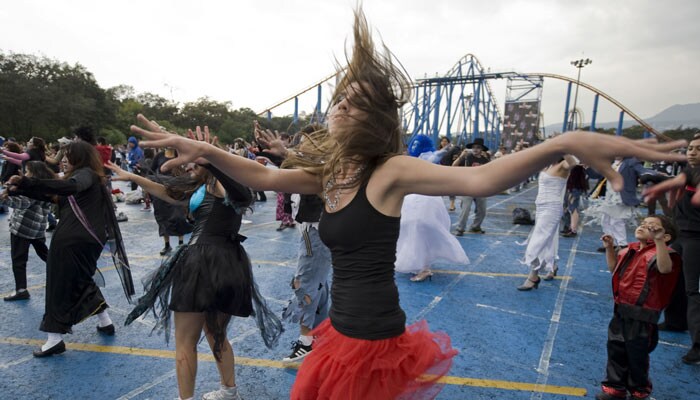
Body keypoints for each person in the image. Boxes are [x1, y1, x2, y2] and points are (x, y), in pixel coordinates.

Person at [128, 10, 686, 399]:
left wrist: (562, 143)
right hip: (337, 336)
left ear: (370, 120)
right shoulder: (332, 174)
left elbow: (482, 181)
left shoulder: (389, 170)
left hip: (372, 344)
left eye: (349, 102)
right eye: (339, 98)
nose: (336, 107)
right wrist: (205, 148)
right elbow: (265, 173)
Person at [109, 129, 282, 400]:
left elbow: (240, 194)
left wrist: (210, 158)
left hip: (202, 260)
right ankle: (229, 391)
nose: (186, 161)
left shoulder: (222, 182)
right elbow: (168, 193)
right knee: (216, 333)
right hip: (227, 260)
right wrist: (133, 177)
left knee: (186, 342)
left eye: (190, 156)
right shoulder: (202, 185)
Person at [6, 141, 133, 357]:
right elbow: (55, 196)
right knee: (81, 279)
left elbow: (69, 188)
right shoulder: (89, 177)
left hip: (72, 240)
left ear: (79, 158)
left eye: (68, 156)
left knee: (58, 284)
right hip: (87, 239)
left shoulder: (84, 175)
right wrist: (22, 188)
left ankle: (54, 338)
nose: (63, 160)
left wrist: (29, 181)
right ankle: (105, 321)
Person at [595, 215, 681, 400]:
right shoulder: (629, 250)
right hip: (621, 309)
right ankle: (615, 387)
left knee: (637, 354)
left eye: (651, 226)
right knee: (616, 348)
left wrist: (658, 240)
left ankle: (639, 390)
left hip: (643, 313)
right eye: (643, 223)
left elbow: (665, 269)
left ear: (665, 236)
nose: (643, 226)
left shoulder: (663, 253)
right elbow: (613, 269)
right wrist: (610, 248)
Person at [645, 134, 700, 364]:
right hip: (680, 234)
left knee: (693, 290)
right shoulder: (688, 170)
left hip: (697, 238)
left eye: (698, 149)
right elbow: (677, 181)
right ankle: (675, 320)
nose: (692, 152)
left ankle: (698, 346)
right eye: (690, 148)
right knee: (669, 277)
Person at [397, 135, 469, 282]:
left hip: (422, 199)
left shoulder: (426, 157)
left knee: (417, 228)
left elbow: (435, 157)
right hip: (417, 199)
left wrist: (447, 149)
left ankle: (424, 267)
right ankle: (420, 264)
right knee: (412, 228)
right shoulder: (413, 159)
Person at [517, 155, 578, 290]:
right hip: (541, 207)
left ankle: (533, 277)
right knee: (548, 241)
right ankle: (552, 266)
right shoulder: (548, 165)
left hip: (552, 208)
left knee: (537, 242)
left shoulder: (563, 165)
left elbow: (573, 163)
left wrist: (564, 145)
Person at [1, 161, 55, 301]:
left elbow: (23, 203)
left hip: (23, 228)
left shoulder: (32, 189)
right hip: (38, 228)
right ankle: (65, 274)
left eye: (27, 172)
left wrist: (5, 198)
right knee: (46, 255)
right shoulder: (44, 186)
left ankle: (21, 290)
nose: (25, 175)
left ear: (34, 173)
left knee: (18, 259)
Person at [149, 147, 192, 255]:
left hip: (177, 190)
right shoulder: (159, 156)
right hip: (162, 190)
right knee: (162, 217)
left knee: (179, 217)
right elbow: (151, 171)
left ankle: (181, 243)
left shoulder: (180, 155)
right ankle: (167, 245)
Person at [452, 137, 490, 236]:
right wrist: (461, 156)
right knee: (466, 208)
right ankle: (460, 228)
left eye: (478, 147)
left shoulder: (485, 160)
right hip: (467, 187)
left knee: (482, 210)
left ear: (482, 149)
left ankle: (475, 226)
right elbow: (453, 166)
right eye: (474, 147)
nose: (475, 149)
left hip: (480, 188)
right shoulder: (466, 157)